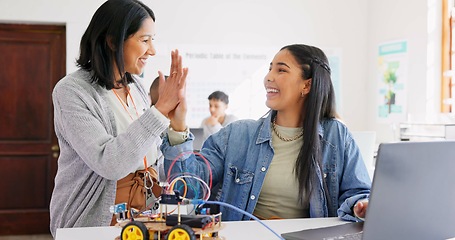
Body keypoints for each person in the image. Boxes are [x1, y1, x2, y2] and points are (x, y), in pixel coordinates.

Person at [161, 44, 371, 222]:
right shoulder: (237, 135)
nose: (268, 78)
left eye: (281, 70)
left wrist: (361, 206)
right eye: (270, 69)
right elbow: (189, 187)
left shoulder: (337, 136)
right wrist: (178, 125)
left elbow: (358, 193)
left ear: (306, 85)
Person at [49, 0, 188, 236]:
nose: (152, 50)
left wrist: (177, 123)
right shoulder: (72, 91)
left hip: (144, 216)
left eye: (153, 40)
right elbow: (110, 163)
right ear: (113, 41)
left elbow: (152, 153)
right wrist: (159, 110)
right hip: (93, 222)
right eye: (145, 40)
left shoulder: (138, 88)